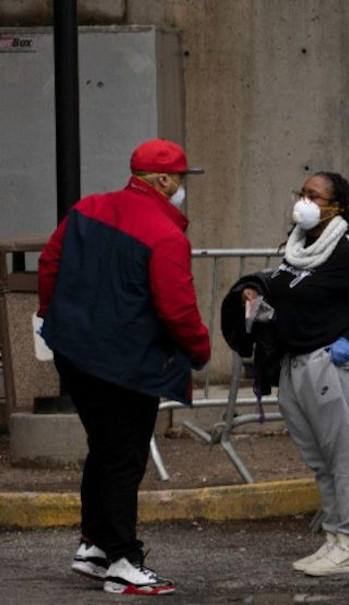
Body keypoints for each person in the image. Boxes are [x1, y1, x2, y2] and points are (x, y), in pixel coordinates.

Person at [37, 138, 211, 596]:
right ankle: (122, 561)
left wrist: (53, 317)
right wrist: (200, 349)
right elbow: (177, 309)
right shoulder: (166, 235)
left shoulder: (88, 207)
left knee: (104, 449)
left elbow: (50, 262)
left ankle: (94, 545)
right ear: (163, 180)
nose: (182, 187)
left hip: (74, 353)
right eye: (180, 179)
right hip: (125, 364)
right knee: (123, 458)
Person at [224, 171, 349, 576]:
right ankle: (335, 537)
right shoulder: (298, 248)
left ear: (336, 205)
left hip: (332, 363)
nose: (304, 201)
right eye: (301, 193)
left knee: (346, 457)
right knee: (321, 461)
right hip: (295, 363)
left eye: (314, 196)